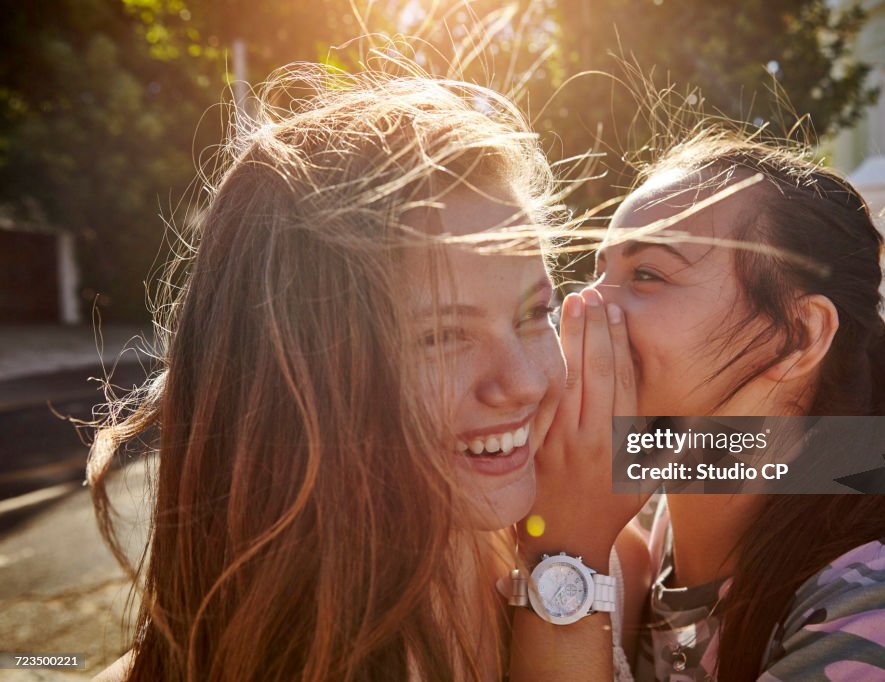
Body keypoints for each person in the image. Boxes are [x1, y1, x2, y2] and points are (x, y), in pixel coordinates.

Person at [87, 62, 570, 681]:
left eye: (535, 313)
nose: (525, 381)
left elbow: (716, 468)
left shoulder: (561, 547)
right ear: (294, 377)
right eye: (444, 335)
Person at [519, 129, 885, 680]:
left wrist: (567, 555)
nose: (582, 303)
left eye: (647, 274)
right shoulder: (647, 538)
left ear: (800, 335)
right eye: (600, 272)